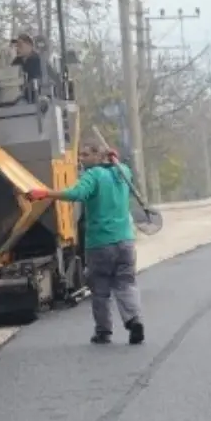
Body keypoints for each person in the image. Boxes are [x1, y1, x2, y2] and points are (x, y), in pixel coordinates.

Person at [25, 142, 144, 345]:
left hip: (100, 243)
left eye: (86, 155)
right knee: (126, 284)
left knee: (100, 288)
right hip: (125, 241)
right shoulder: (122, 172)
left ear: (99, 157)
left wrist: (46, 193)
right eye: (80, 155)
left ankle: (104, 331)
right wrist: (115, 160)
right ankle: (133, 320)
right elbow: (127, 173)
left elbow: (76, 194)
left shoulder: (93, 176)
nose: (80, 158)